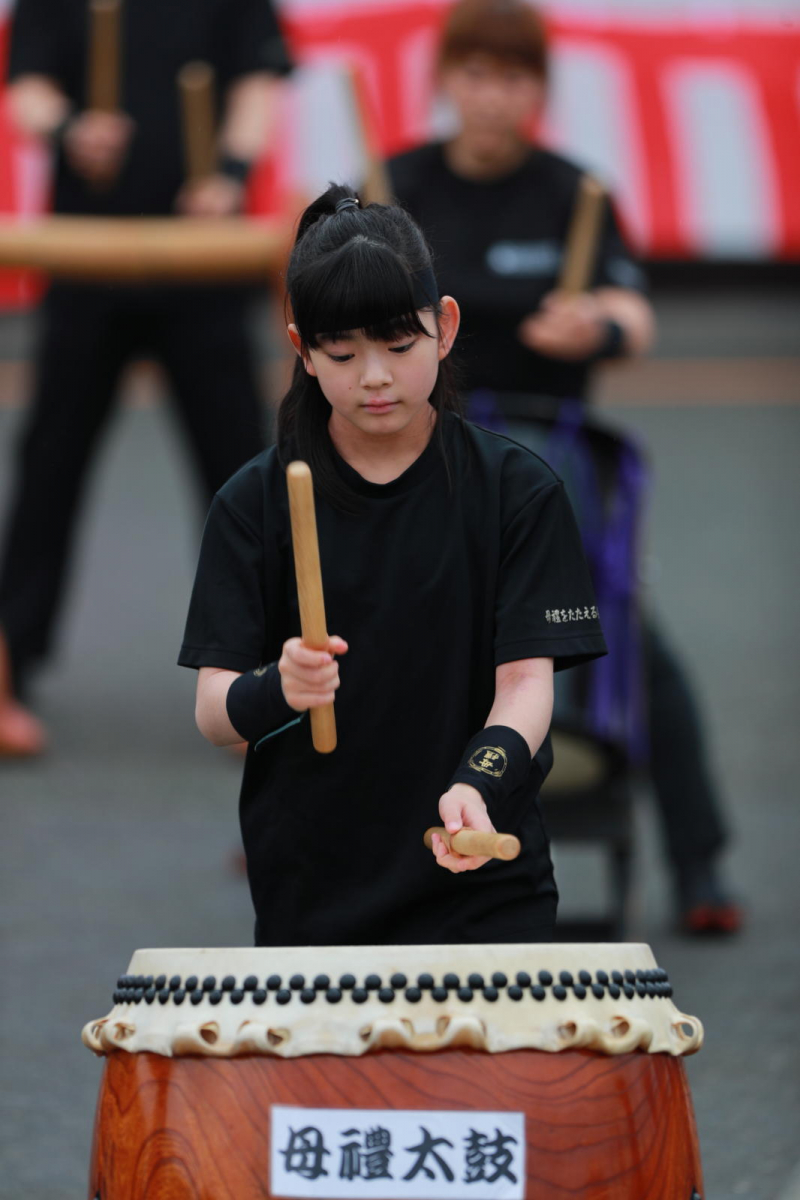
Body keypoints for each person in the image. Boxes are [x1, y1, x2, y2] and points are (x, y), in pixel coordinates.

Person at [387, 0, 741, 935]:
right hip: (422, 456)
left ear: (538, 91)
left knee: (625, 642)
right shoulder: (397, 185)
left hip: (547, 469)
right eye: (474, 74)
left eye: (513, 78)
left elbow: (635, 313)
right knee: (367, 638)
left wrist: (598, 325)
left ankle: (700, 866)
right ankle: (318, 828)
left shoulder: (574, 192)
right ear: (445, 83)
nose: (492, 96)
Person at [178, 185, 607, 946]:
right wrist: (280, 687)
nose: (374, 376)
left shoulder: (517, 490)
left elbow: (526, 684)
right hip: (313, 880)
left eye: (398, 345)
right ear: (302, 350)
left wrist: (480, 782)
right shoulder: (254, 504)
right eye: (342, 353)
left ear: (443, 328)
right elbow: (215, 714)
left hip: (482, 877)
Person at [0, 0, 292, 757]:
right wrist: (72, 130)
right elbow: (26, 85)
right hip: (87, 254)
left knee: (241, 474)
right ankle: (10, 670)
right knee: (48, 467)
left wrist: (227, 174)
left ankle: (268, 677)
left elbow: (257, 83)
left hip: (199, 256)